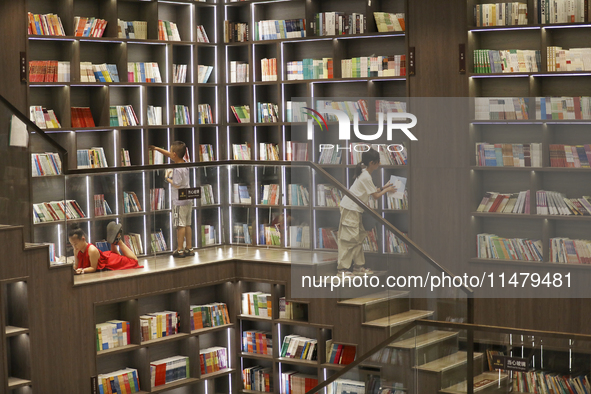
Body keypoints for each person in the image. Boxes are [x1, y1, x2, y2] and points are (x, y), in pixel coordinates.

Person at [337, 148, 397, 275]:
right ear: (372, 163)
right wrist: (387, 190)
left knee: (358, 237)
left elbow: (372, 191)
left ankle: (359, 266)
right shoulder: (365, 176)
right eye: (378, 161)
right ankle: (342, 269)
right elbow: (375, 196)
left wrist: (384, 187)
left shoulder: (365, 173)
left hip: (354, 209)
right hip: (350, 209)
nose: (379, 163)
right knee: (348, 239)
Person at [150, 142, 194, 258]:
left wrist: (167, 178)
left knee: (180, 225)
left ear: (174, 154)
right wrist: (157, 148)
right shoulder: (185, 163)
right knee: (188, 224)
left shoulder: (177, 169)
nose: (169, 154)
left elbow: (176, 184)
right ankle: (189, 247)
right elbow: (170, 155)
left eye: (170, 152)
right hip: (188, 198)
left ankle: (179, 249)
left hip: (179, 200)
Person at [69, 222, 142, 274]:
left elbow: (93, 268)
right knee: (117, 255)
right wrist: (73, 270)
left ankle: (119, 241)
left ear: (83, 239)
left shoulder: (92, 250)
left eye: (75, 244)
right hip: (106, 256)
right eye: (72, 244)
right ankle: (113, 241)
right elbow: (76, 265)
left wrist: (82, 270)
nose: (74, 247)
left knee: (134, 261)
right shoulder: (76, 250)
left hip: (109, 262)